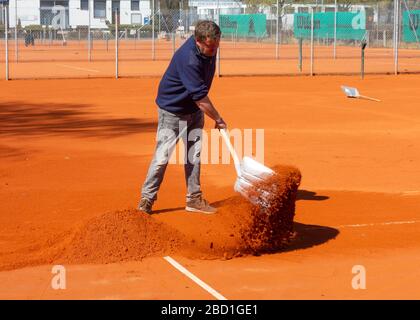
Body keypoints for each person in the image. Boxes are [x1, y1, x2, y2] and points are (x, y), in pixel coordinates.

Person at [138, 20, 227, 215]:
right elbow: (200, 98)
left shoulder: (209, 45)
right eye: (210, 47)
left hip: (194, 110)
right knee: (162, 157)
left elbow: (199, 99)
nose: (214, 50)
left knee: (193, 156)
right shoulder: (189, 59)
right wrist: (218, 119)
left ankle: (194, 199)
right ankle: (146, 200)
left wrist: (206, 112)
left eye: (217, 45)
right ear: (198, 41)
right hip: (173, 110)